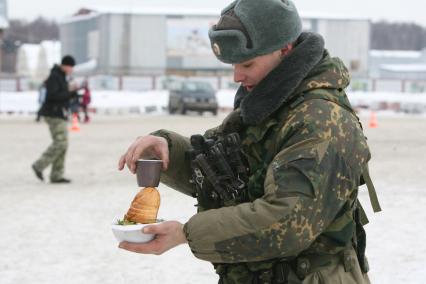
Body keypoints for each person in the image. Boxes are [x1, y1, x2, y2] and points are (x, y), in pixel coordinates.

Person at [118, 0, 381, 283]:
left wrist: (185, 233)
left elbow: (287, 223)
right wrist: (167, 148)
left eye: (247, 63)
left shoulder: (321, 120)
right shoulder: (266, 106)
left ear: (285, 49)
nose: (236, 76)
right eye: (233, 64)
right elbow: (222, 173)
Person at [31, 55, 77, 184]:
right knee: (60, 142)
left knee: (63, 143)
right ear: (64, 65)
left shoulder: (60, 76)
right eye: (70, 67)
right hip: (53, 114)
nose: (71, 69)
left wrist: (71, 93)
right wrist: (70, 93)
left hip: (59, 114)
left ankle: (56, 174)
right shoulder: (55, 76)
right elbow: (52, 96)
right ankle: (39, 165)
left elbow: (61, 94)